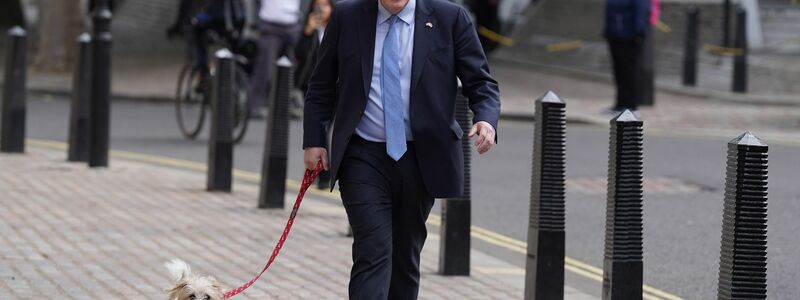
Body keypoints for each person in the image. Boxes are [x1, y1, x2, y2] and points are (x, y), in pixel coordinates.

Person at [303, 0, 500, 298]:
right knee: (373, 248)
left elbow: (481, 82)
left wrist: (486, 120)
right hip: (362, 154)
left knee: (405, 257)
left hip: (421, 157)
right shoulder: (348, 15)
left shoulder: (449, 17)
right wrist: (314, 139)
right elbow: (321, 84)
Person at [248, 0, 302, 119]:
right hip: (271, 25)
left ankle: (285, 107)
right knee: (265, 69)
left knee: (291, 70)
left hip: (293, 25)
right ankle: (254, 106)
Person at [604, 0, 650, 114]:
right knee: (619, 72)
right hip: (615, 36)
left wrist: (639, 33)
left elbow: (641, 11)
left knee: (629, 72)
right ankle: (620, 104)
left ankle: (631, 106)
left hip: (629, 37)